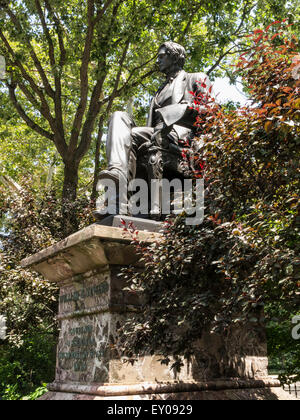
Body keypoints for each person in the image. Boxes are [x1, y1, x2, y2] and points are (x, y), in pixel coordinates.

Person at [97, 41, 213, 217]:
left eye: (161, 56)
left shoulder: (195, 78)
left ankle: (118, 191)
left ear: (174, 57)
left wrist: (183, 109)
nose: (157, 61)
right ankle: (117, 184)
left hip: (179, 137)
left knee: (134, 135)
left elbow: (211, 112)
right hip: (156, 136)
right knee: (118, 116)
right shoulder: (158, 92)